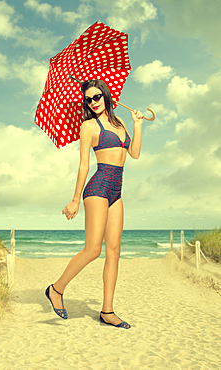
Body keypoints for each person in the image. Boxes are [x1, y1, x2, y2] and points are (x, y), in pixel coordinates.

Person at [45, 79, 143, 329]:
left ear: (106, 96)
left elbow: (134, 153)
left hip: (116, 191)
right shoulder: (88, 126)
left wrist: (137, 124)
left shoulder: (120, 123)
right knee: (93, 250)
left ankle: (107, 311)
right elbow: (83, 165)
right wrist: (75, 199)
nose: (93, 102)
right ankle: (56, 289)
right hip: (98, 187)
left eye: (97, 96)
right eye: (88, 99)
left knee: (114, 252)